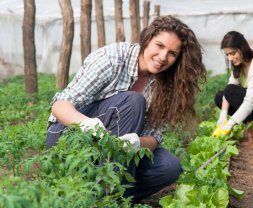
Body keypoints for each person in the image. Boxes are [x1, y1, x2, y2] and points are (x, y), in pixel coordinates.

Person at [46, 15, 206, 202]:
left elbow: (155, 136)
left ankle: (105, 197)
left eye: (172, 53)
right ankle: (110, 194)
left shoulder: (167, 84)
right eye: (159, 46)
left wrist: (137, 142)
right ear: (147, 40)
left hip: (112, 150)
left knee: (169, 167)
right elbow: (60, 105)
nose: (163, 57)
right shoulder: (112, 58)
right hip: (68, 137)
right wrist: (87, 124)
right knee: (133, 101)